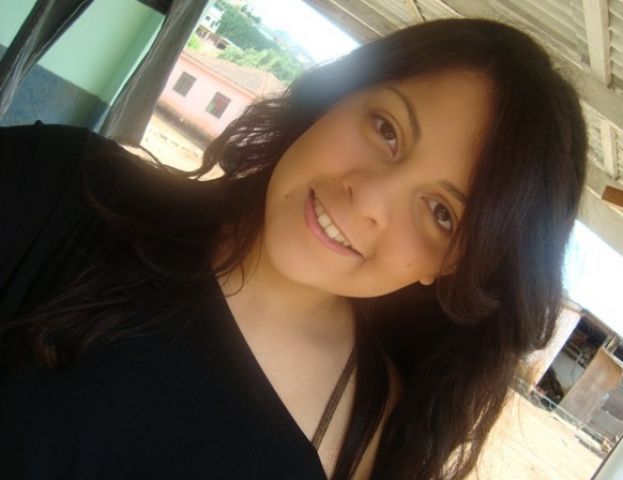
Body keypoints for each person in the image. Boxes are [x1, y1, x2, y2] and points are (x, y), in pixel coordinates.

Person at [0, 17, 586, 480]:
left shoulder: (373, 442)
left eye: (441, 213)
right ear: (339, 97)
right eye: (386, 129)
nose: (368, 199)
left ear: (453, 265)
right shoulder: (61, 189)